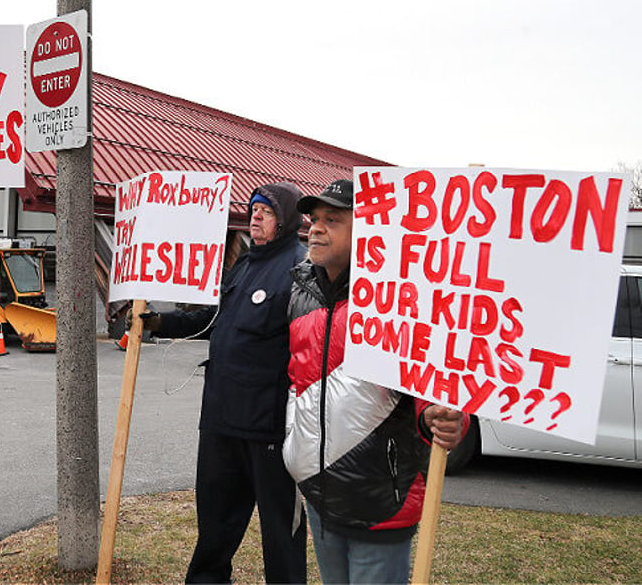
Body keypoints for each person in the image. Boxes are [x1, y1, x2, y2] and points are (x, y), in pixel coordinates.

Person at [282, 179, 468, 585]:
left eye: (333, 220)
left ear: (368, 232)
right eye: (314, 219)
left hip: (380, 498)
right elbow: (297, 380)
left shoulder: (399, 296)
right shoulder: (301, 290)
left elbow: (432, 383)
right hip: (318, 491)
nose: (316, 227)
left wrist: (439, 419)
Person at [140, 182, 308, 584]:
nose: (256, 217)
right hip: (220, 422)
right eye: (253, 210)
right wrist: (161, 322)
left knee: (281, 535)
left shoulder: (301, 269)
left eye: (265, 211)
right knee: (214, 527)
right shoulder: (243, 267)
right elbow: (211, 321)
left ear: (284, 220)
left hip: (268, 429)